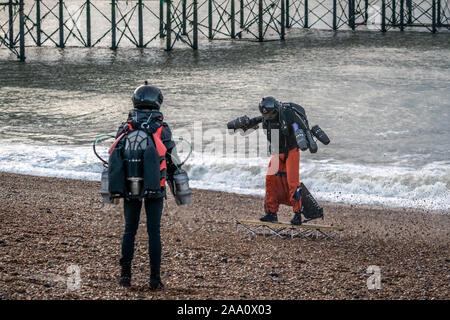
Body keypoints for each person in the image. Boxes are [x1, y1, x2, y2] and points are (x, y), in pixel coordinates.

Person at [109, 82, 182, 290]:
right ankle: (154, 279)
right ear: (157, 102)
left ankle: (125, 277)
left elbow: (116, 155)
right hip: (154, 186)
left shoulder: (126, 126)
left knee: (129, 230)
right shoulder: (161, 127)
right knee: (154, 232)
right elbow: (173, 161)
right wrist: (176, 186)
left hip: (130, 184)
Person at [227, 97, 329, 225]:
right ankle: (271, 213)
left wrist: (308, 140)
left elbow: (300, 127)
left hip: (292, 150)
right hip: (277, 151)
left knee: (292, 182)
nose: (268, 116)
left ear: (275, 110)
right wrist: (241, 125)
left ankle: (297, 214)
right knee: (271, 180)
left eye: (270, 114)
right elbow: (252, 124)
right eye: (265, 114)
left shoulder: (288, 115)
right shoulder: (265, 118)